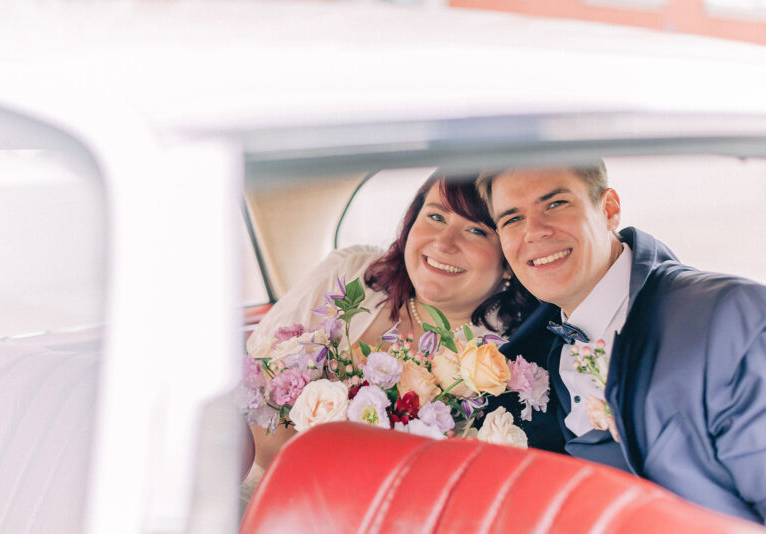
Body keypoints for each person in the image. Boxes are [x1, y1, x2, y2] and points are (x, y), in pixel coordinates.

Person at [242, 173, 564, 498]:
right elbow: (248, 392)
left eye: (476, 231)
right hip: (263, 490)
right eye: (436, 216)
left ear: (508, 258)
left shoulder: (504, 362)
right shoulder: (349, 272)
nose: (444, 242)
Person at [479, 163, 766, 524]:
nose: (534, 232)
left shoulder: (728, 316)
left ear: (609, 210)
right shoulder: (547, 352)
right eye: (512, 220)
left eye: (555, 205)